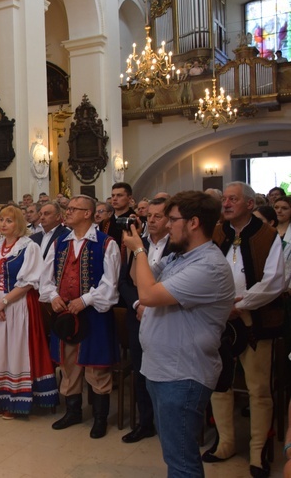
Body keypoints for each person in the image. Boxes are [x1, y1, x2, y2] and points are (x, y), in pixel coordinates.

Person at [122, 190, 234, 476]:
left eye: (173, 220)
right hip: (161, 368)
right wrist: (139, 245)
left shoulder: (208, 265)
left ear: (194, 222)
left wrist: (139, 250)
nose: (168, 226)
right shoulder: (179, 257)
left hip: (183, 373)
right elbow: (138, 278)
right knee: (174, 454)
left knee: (183, 462)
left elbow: (146, 294)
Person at [203, 182, 285, 478]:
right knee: (219, 382)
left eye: (233, 199)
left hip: (255, 322)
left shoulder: (268, 236)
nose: (225, 204)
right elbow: (202, 270)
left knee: (259, 389)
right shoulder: (215, 233)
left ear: (250, 204)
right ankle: (225, 443)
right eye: (224, 199)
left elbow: (275, 281)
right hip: (218, 320)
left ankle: (257, 453)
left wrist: (242, 303)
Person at [39, 195, 120, 438]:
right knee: (68, 364)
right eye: (68, 208)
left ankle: (100, 418)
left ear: (88, 214)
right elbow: (46, 277)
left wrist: (85, 300)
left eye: (74, 209)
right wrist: (52, 295)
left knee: (96, 367)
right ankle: (73, 411)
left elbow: (110, 283)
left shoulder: (106, 244)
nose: (69, 212)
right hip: (64, 317)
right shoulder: (60, 243)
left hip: (94, 314)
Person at [0, 205, 59, 418]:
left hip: (18, 303)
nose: (3, 224)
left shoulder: (29, 247)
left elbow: (30, 282)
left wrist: (3, 301)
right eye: (1, 220)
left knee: (16, 349)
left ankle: (16, 399)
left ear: (19, 224)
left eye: (9, 221)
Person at [117, 197, 172, 444]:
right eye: (149, 215)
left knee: (167, 372)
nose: (151, 220)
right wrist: (139, 304)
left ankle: (168, 423)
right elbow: (125, 282)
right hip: (138, 314)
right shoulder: (140, 243)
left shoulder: (178, 246)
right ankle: (145, 422)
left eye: (157, 216)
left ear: (171, 219)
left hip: (166, 316)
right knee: (140, 371)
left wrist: (151, 304)